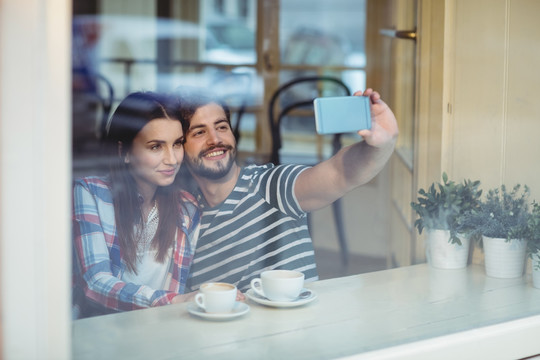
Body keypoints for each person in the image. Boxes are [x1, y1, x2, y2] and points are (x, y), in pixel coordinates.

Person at [176, 88, 399, 292]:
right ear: (179, 148)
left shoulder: (271, 185)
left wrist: (382, 143)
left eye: (222, 127)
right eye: (199, 133)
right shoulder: (186, 221)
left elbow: (341, 173)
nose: (215, 139)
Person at [72, 91, 201, 319]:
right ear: (124, 152)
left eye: (177, 144)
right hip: (101, 336)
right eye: (156, 147)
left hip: (162, 336)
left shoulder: (187, 208)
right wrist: (172, 301)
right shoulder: (91, 194)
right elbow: (96, 283)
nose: (172, 159)